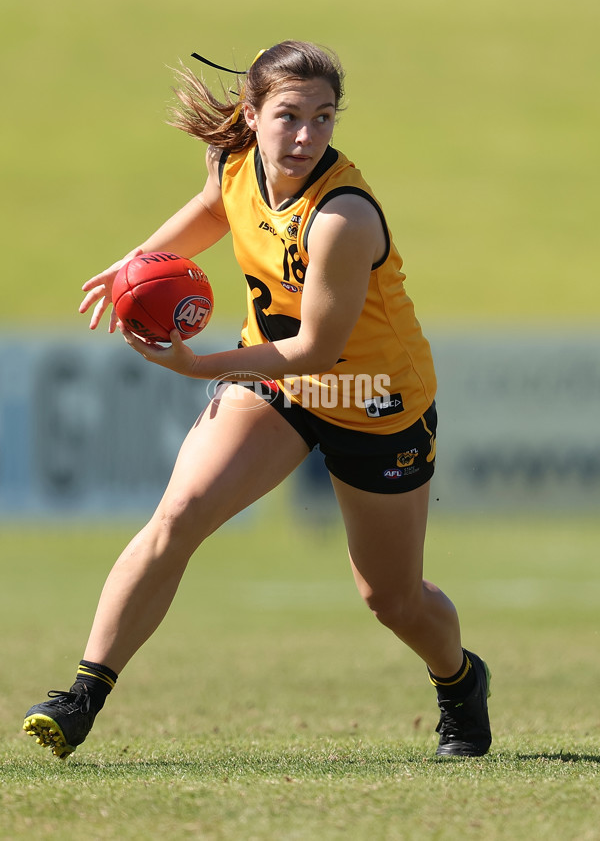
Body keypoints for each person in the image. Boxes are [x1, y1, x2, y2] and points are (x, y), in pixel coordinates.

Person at [23, 40, 491, 759]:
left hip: (373, 400)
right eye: (289, 116)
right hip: (277, 383)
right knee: (178, 513)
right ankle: (84, 693)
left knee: (391, 601)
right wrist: (134, 265)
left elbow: (317, 351)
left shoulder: (343, 217)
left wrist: (194, 364)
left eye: (324, 118)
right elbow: (216, 209)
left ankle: (459, 680)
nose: (306, 135)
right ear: (253, 113)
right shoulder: (234, 160)